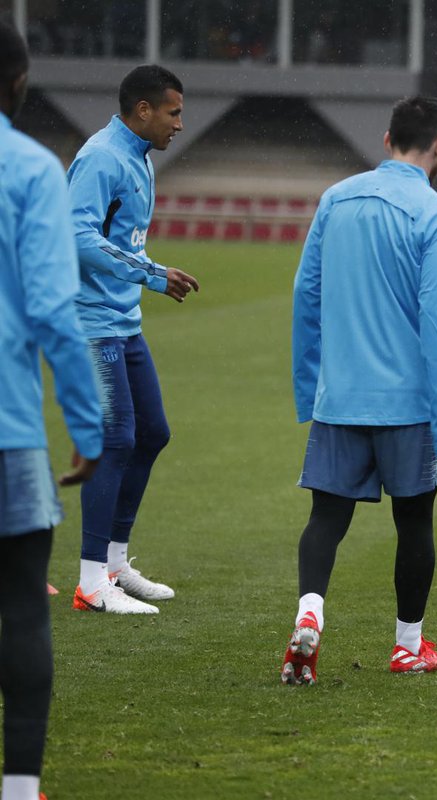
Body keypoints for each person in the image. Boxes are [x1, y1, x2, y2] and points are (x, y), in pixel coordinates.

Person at [283, 96, 437, 684]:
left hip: (340, 396)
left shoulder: (337, 198)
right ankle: (408, 646)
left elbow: (305, 294)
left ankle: (310, 613)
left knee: (326, 517)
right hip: (407, 403)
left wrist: (311, 385)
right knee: (414, 523)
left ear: (387, 139)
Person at [0, 22, 103, 800]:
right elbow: (51, 311)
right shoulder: (29, 168)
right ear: (19, 81)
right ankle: (20, 784)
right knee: (21, 609)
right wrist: (88, 425)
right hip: (8, 432)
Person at [66, 64, 200, 615]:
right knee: (116, 438)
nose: (179, 125)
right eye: (173, 113)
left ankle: (116, 564)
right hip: (89, 321)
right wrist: (151, 274)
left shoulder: (138, 158)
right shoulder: (102, 157)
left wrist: (151, 271)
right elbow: (76, 235)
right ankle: (90, 580)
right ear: (142, 110)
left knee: (152, 433)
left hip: (122, 320)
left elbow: (123, 239)